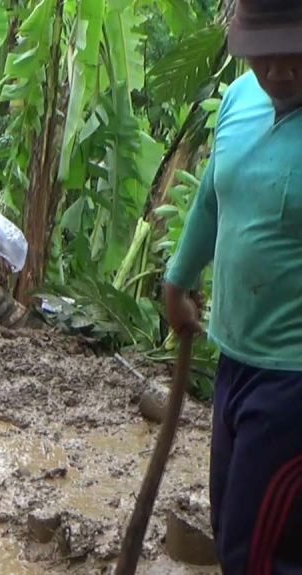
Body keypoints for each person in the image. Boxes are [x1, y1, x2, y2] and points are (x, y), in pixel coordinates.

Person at [164, 1, 302, 572]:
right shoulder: (240, 101)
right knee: (232, 526)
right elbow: (213, 197)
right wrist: (178, 278)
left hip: (294, 379)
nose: (278, 70)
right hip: (235, 361)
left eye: (293, 50)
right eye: (260, 53)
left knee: (261, 553)